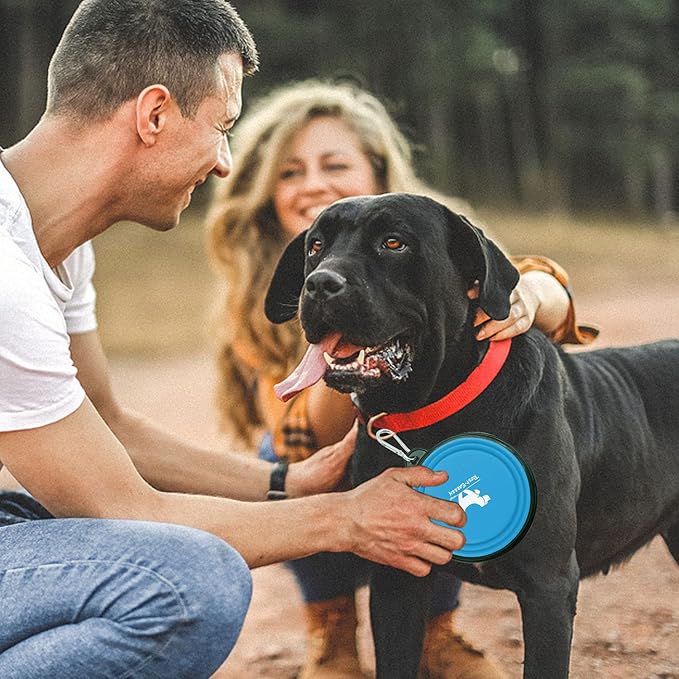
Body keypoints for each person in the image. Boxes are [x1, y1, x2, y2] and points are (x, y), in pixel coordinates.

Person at [0, 3, 474, 678]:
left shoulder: (54, 243)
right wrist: (345, 518)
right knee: (187, 582)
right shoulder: (5, 267)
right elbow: (130, 509)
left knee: (50, 507)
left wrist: (287, 481)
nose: (224, 164)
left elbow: (108, 423)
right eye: (222, 127)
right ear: (154, 114)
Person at [207, 78, 597, 679]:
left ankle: (435, 633)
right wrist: (350, 355)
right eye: (290, 172)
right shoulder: (266, 290)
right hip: (331, 459)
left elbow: (518, 281)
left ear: (379, 170)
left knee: (446, 441)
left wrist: (535, 291)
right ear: (265, 193)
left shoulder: (424, 237)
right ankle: (334, 633)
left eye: (335, 164)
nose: (313, 183)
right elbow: (300, 429)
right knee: (292, 454)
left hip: (436, 440)